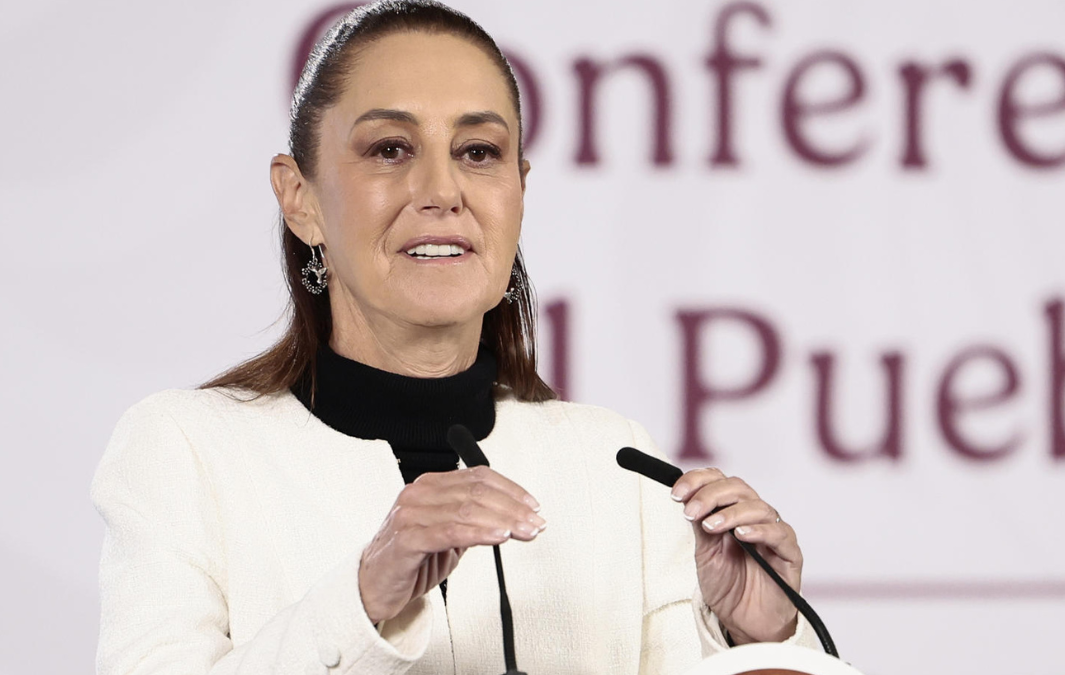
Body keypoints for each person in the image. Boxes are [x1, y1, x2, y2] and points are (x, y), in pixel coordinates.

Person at [91, 2, 819, 673]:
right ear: (299, 197)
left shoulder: (615, 464)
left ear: (519, 191)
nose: (442, 191)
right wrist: (363, 597)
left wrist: (762, 638)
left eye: (477, 152)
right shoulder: (184, 450)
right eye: (389, 149)